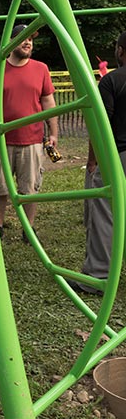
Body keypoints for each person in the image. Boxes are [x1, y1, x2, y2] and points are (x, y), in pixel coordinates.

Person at [0, 24, 59, 241]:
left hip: (32, 139)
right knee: (0, 186)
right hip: (0, 140)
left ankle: (28, 228)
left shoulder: (41, 69)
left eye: (31, 39)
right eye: (23, 38)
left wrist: (53, 133)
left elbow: (48, 102)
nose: (28, 43)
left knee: (30, 188)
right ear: (11, 42)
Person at [70, 31, 126, 295]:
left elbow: (99, 128)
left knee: (104, 214)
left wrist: (93, 160)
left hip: (118, 157)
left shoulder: (112, 81)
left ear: (121, 51)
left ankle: (97, 274)